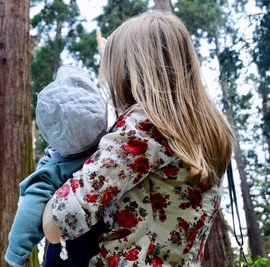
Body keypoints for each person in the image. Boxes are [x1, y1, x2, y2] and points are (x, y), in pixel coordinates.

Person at [42, 11, 235, 266]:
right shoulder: (209, 133)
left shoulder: (143, 126)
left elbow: (59, 222)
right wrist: (112, 51)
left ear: (130, 70)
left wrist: (45, 195)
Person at [4, 65, 108, 267]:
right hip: (109, 239)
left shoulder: (53, 168)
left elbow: (30, 207)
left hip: (69, 246)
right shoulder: (111, 146)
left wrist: (16, 252)